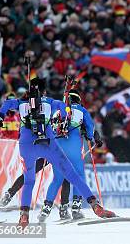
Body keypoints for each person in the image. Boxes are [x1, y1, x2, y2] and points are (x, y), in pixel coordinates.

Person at [0, 78, 115, 227]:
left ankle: (24, 216)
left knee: (29, 180)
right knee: (73, 175)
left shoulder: (21, 103)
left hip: (27, 145)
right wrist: (65, 115)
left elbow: (8, 103)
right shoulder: (50, 102)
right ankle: (95, 206)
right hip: (48, 144)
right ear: (45, 91)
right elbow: (64, 107)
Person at [38, 89, 100, 222]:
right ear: (78, 99)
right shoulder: (82, 110)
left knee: (57, 179)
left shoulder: (59, 109)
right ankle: (76, 207)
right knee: (79, 177)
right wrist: (90, 137)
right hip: (73, 147)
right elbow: (90, 128)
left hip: (58, 147)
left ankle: (46, 209)